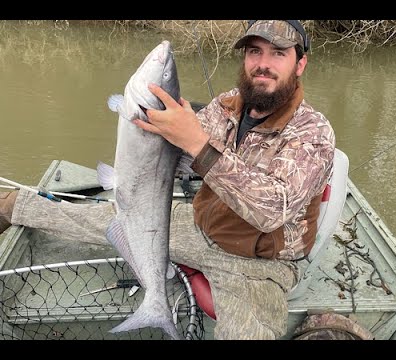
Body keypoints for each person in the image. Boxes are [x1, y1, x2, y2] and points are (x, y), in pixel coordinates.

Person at [0, 20, 336, 340]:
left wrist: (196, 143)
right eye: (254, 52)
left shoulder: (313, 132)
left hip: (259, 264)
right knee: (98, 216)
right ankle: (11, 205)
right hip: (202, 226)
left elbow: (271, 210)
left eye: (278, 53)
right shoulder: (226, 105)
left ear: (300, 64)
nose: (263, 64)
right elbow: (182, 153)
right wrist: (158, 129)